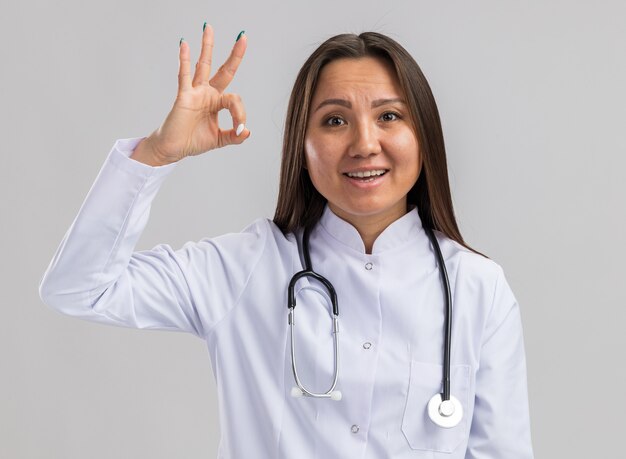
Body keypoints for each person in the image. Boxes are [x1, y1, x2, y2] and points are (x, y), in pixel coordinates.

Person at [39, 23, 534, 458]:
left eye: (389, 116)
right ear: (302, 145)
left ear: (423, 136)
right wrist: (157, 153)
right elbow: (78, 288)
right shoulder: (242, 268)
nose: (365, 143)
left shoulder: (478, 290)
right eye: (334, 120)